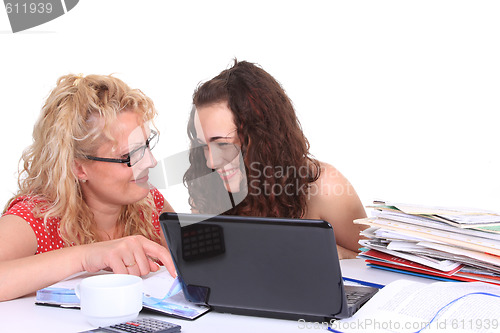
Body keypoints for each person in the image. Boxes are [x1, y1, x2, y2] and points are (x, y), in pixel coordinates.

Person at [0, 74, 176, 301]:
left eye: (145, 146)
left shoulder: (149, 203)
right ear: (79, 168)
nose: (150, 162)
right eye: (128, 156)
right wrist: (86, 257)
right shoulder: (36, 217)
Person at [184, 60, 366, 259]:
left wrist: (327, 252)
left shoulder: (326, 187)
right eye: (203, 145)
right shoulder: (208, 186)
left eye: (223, 144)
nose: (210, 162)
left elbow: (372, 262)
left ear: (263, 138)